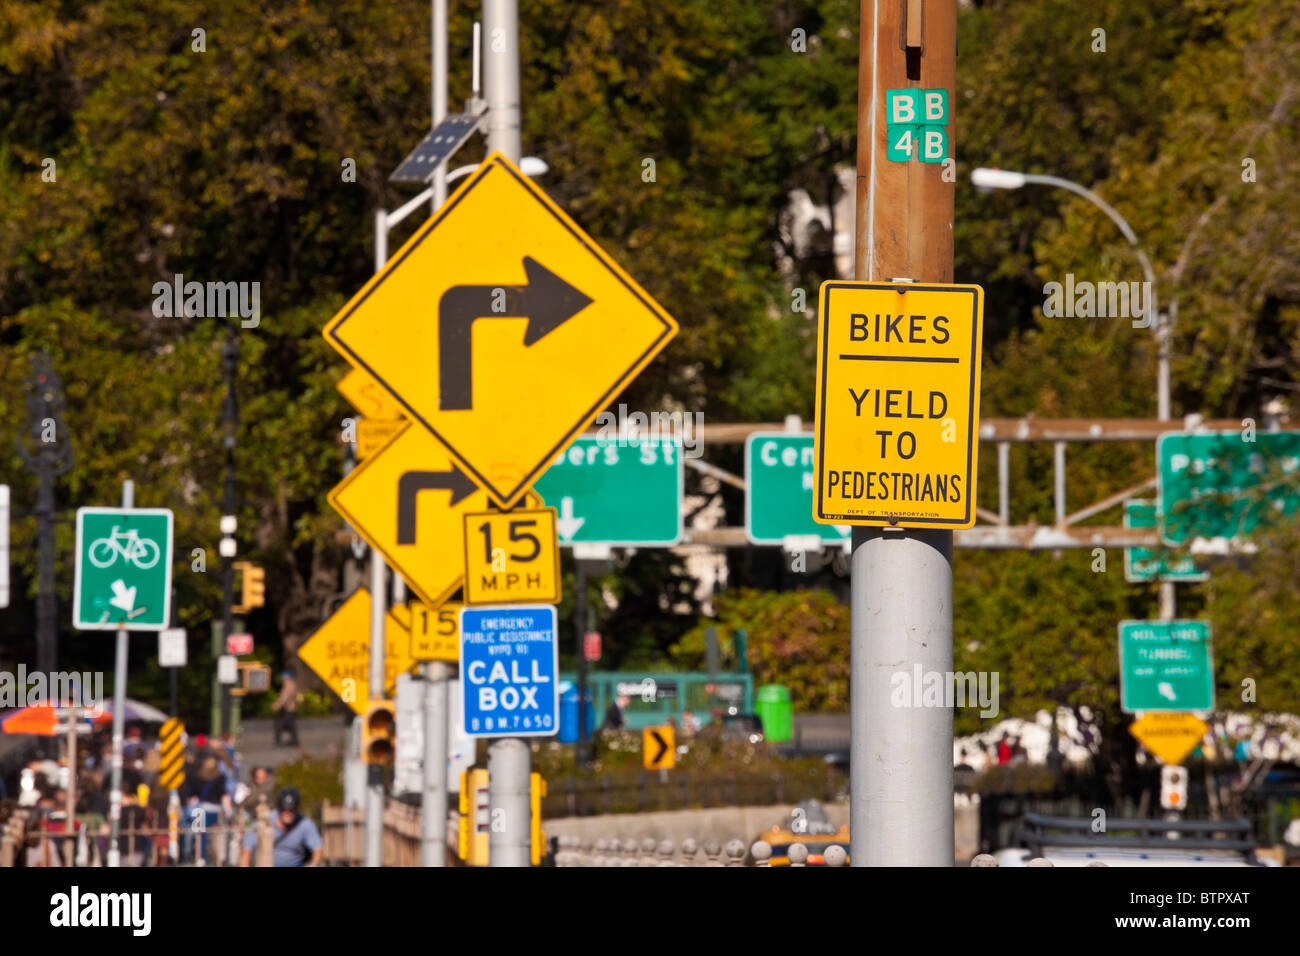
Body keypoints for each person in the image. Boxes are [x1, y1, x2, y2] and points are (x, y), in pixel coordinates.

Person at [240, 787, 322, 867]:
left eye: (291, 810)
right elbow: (247, 848)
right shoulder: (266, 820)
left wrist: (313, 864)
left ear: (297, 809)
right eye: (284, 809)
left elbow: (317, 848)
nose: (288, 813)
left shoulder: (304, 823)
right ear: (279, 808)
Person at [272, 670, 300, 747]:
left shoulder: (289, 686)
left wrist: (277, 705)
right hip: (290, 709)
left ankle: (278, 742)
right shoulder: (291, 685)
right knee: (291, 726)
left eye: (283, 677)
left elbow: (284, 697)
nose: (282, 679)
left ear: (287, 678)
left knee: (279, 724)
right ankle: (294, 741)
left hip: (289, 710)